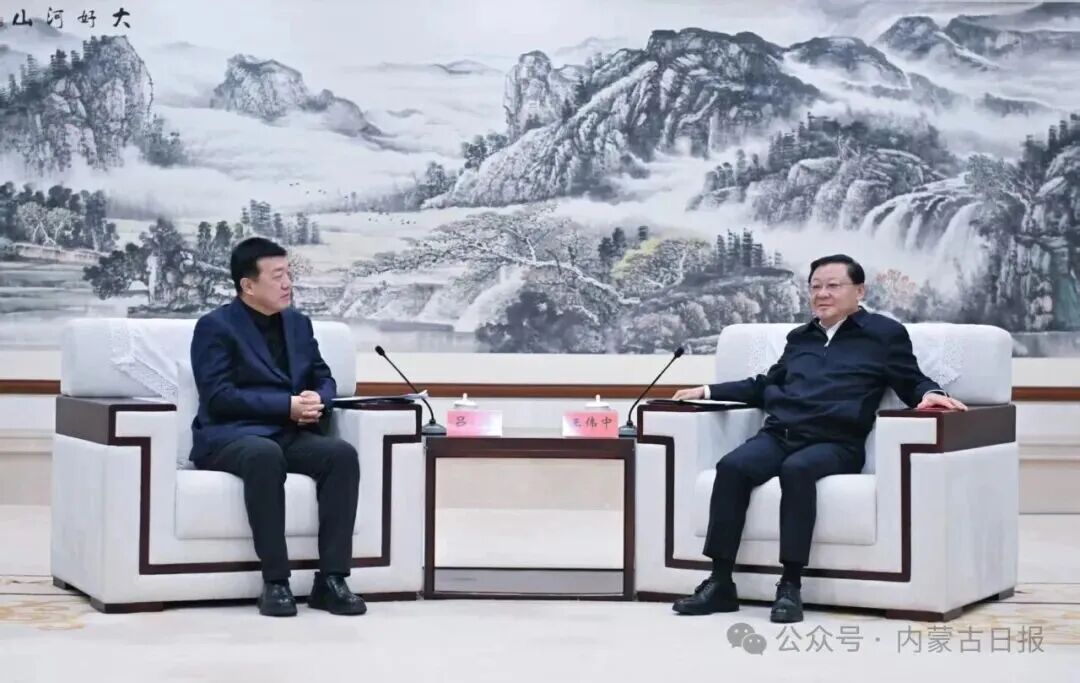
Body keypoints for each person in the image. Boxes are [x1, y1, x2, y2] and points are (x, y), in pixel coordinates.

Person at [670, 254, 967, 622]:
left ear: (859, 291)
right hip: (781, 433)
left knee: (797, 470)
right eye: (815, 286)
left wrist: (930, 393)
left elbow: (910, 379)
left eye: (832, 286)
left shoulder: (883, 335)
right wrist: (707, 390)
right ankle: (719, 583)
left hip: (837, 443)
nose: (822, 294)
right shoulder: (800, 338)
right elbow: (767, 385)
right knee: (732, 467)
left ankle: (790, 586)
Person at [188, 237, 366, 617]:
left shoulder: (298, 324)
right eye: (277, 276)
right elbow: (218, 397)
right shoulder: (214, 327)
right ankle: (276, 582)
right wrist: (286, 406)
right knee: (263, 454)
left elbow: (323, 376)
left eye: (289, 274)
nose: (288, 284)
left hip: (288, 433)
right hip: (231, 435)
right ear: (247, 285)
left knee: (340, 455)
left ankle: (332, 580)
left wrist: (319, 399)